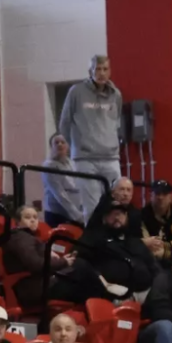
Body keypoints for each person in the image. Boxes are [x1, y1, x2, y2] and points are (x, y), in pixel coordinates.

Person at [58, 54, 123, 221]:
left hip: (111, 157)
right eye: (97, 69)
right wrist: (75, 148)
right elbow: (64, 123)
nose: (101, 73)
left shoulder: (116, 94)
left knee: (117, 205)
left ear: (110, 72)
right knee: (92, 208)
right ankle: (93, 246)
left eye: (105, 69)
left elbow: (117, 122)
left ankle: (114, 244)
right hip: (85, 159)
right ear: (90, 71)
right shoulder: (76, 92)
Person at [2, 205, 69, 311]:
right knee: (80, 273)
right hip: (30, 287)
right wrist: (63, 262)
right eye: (28, 217)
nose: (33, 220)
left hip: (37, 283)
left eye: (35, 217)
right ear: (18, 221)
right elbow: (35, 264)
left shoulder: (30, 238)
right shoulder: (20, 238)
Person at [42, 131, 86, 227]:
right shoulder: (49, 166)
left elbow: (79, 185)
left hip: (76, 211)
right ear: (51, 147)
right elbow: (59, 194)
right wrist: (77, 216)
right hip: (57, 214)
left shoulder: (72, 162)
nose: (60, 145)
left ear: (68, 145)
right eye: (56, 143)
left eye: (63, 142)